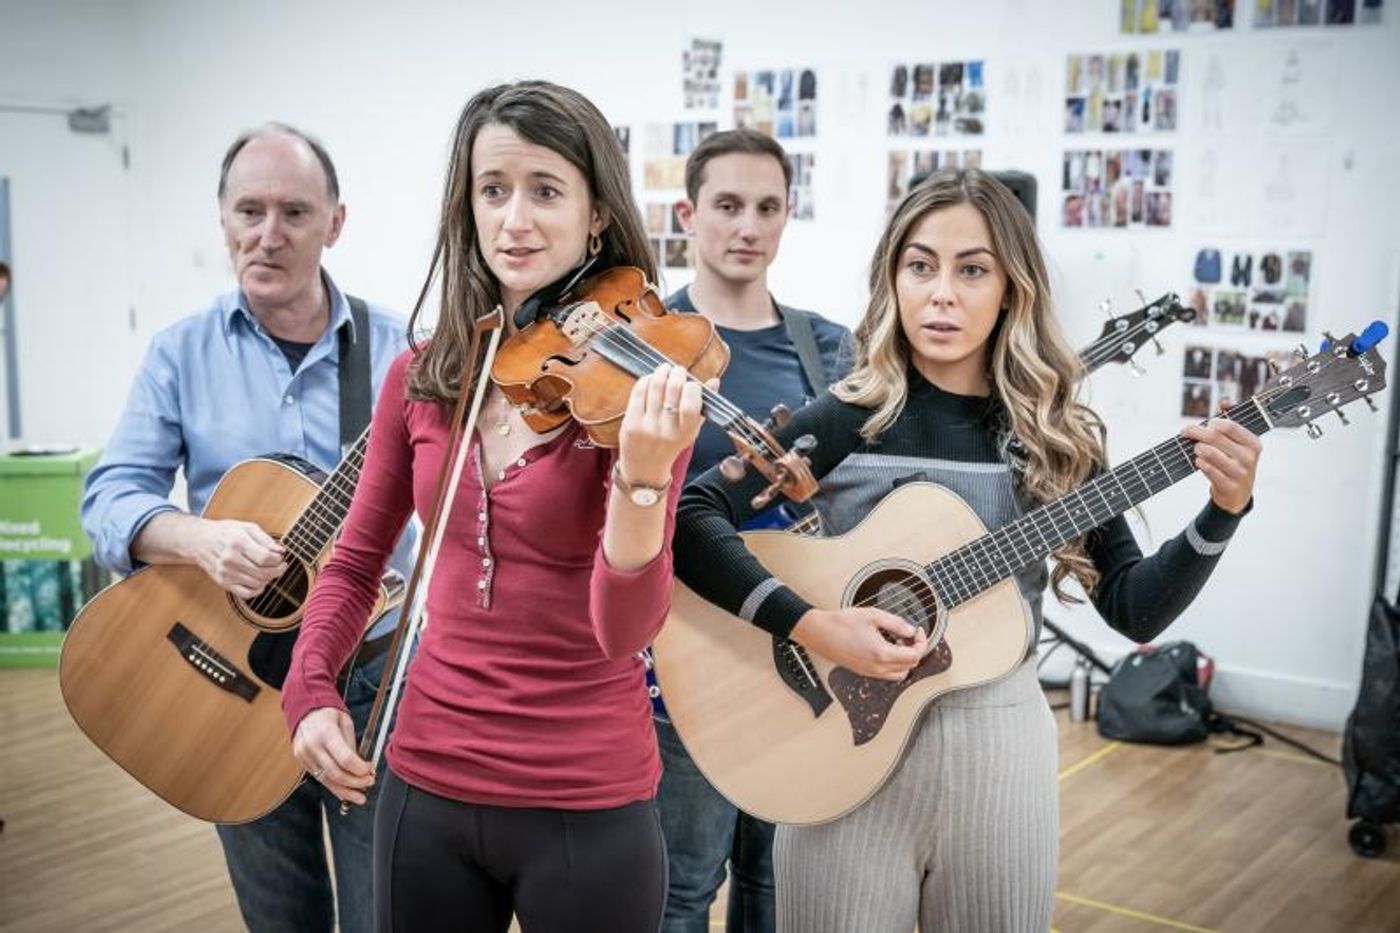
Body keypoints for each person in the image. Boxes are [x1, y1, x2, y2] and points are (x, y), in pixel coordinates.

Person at [673, 168, 1261, 932]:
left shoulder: (1055, 437)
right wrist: (810, 624)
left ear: (1011, 288)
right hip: (836, 756)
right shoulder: (849, 416)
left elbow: (1134, 607)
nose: (941, 292)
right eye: (921, 265)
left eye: (972, 268)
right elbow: (692, 515)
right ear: (895, 278)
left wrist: (1224, 510)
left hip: (1000, 753)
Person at [281, 80, 704, 933]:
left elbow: (626, 631)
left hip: (587, 801)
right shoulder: (423, 376)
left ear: (595, 215)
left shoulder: (643, 393)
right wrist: (310, 686)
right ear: (466, 206)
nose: (515, 218)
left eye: (545, 190)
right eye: (493, 189)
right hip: (425, 785)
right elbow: (358, 561)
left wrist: (642, 479)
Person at [80, 124, 415, 932]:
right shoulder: (179, 352)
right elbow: (110, 497)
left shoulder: (405, 352)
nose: (269, 234)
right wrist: (201, 539)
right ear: (223, 220)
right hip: (227, 677)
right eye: (250, 210)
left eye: (295, 212)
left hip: (367, 679)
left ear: (334, 223)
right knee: (279, 918)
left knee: (386, 914)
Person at [657, 128, 850, 933]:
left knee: (779, 885)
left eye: (767, 207)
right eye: (728, 205)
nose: (748, 226)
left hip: (796, 647)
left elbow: (849, 501)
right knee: (681, 886)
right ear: (688, 215)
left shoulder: (828, 346)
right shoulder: (641, 345)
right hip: (680, 658)